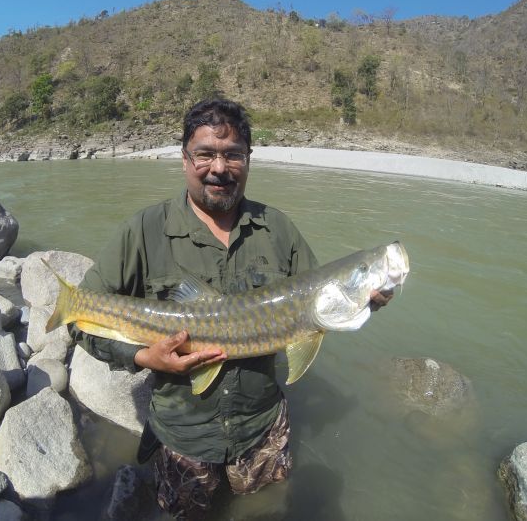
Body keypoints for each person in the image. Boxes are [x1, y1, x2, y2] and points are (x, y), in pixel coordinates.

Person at [75, 98, 392, 519]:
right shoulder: (143, 232)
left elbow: (320, 305)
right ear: (185, 159)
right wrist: (141, 356)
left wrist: (365, 300)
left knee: (265, 508)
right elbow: (79, 318)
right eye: (205, 154)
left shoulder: (279, 230)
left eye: (232, 155)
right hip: (184, 434)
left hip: (263, 428)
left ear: (248, 159)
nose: (219, 168)